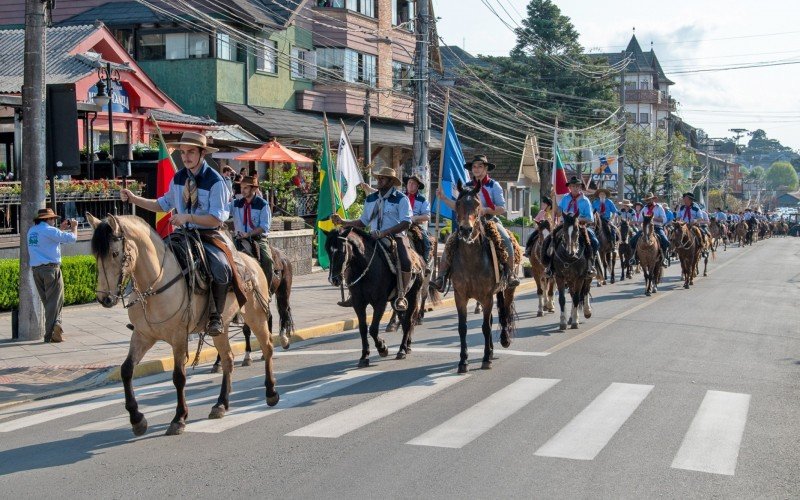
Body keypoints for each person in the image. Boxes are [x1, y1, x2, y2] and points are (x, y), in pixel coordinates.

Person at [120, 131, 236, 336]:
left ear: (202, 153)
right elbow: (161, 204)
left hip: (208, 235)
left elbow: (217, 219)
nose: (186, 157)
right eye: (182, 152)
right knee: (151, 261)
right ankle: (147, 314)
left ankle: (216, 316)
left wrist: (188, 218)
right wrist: (133, 198)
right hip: (182, 235)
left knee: (221, 268)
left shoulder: (215, 181)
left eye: (191, 152)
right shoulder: (179, 177)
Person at [331, 166, 415, 311]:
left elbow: (406, 222)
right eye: (378, 178)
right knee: (353, 256)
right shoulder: (371, 199)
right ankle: (354, 293)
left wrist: (385, 233)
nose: (379, 181)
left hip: (395, 237)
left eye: (382, 179)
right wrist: (343, 221)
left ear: (390, 182)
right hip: (373, 236)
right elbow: (363, 222)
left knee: (406, 261)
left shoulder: (401, 199)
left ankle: (401, 295)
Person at [434, 154, 520, 291]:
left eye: (480, 166)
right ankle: (441, 277)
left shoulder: (494, 185)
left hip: (489, 221)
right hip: (469, 223)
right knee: (450, 242)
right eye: (474, 166)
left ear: (486, 169)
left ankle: (510, 274)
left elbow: (502, 208)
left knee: (506, 239)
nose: (476, 169)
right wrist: (443, 198)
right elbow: (458, 206)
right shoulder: (466, 186)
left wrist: (485, 210)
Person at [27, 208, 78, 343]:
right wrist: (74, 227)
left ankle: (57, 329)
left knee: (48, 302)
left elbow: (49, 242)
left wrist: (60, 229)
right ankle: (49, 334)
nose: (54, 221)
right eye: (52, 219)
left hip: (36, 271)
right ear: (47, 219)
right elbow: (72, 239)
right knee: (56, 302)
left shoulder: (32, 231)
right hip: (51, 270)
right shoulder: (50, 230)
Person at [543, 176, 598, 278]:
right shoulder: (565, 198)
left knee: (594, 241)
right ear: (570, 187)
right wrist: (554, 201)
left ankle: (591, 265)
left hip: (580, 225)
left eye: (577, 186)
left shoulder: (585, 201)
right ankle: (549, 266)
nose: (575, 188)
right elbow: (559, 213)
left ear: (580, 187)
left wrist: (578, 219)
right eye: (573, 186)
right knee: (549, 239)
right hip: (565, 224)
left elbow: (590, 219)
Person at [231, 175, 275, 284]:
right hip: (238, 238)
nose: (242, 190)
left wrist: (248, 234)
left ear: (254, 189)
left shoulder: (263, 205)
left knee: (268, 260)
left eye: (245, 188)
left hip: (258, 239)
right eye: (241, 188)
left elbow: (264, 226)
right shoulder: (236, 203)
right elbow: (223, 213)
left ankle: (267, 290)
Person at [629, 193, 669, 266]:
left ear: (653, 199)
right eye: (646, 200)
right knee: (633, 240)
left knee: (665, 240)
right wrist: (635, 222)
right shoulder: (644, 208)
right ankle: (634, 257)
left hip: (656, 227)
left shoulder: (659, 207)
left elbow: (664, 220)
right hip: (645, 228)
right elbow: (640, 220)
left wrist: (653, 218)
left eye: (649, 199)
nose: (648, 201)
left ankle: (664, 258)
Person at [404, 174, 432, 263]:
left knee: (426, 241)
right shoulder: (400, 197)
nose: (410, 184)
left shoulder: (423, 200)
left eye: (413, 183)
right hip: (400, 224)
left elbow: (427, 216)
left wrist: (415, 218)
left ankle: (425, 261)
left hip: (415, 226)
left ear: (417, 186)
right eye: (409, 182)